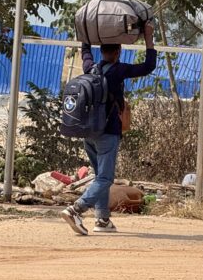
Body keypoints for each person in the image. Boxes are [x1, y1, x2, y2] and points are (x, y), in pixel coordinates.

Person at [61, 22, 157, 236]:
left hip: (89, 132)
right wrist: (149, 39)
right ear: (118, 52)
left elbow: (85, 50)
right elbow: (148, 66)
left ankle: (102, 219)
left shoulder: (90, 68)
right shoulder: (118, 71)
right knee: (105, 178)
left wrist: (86, 32)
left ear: (102, 51)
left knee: (99, 177)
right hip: (108, 132)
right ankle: (76, 209)